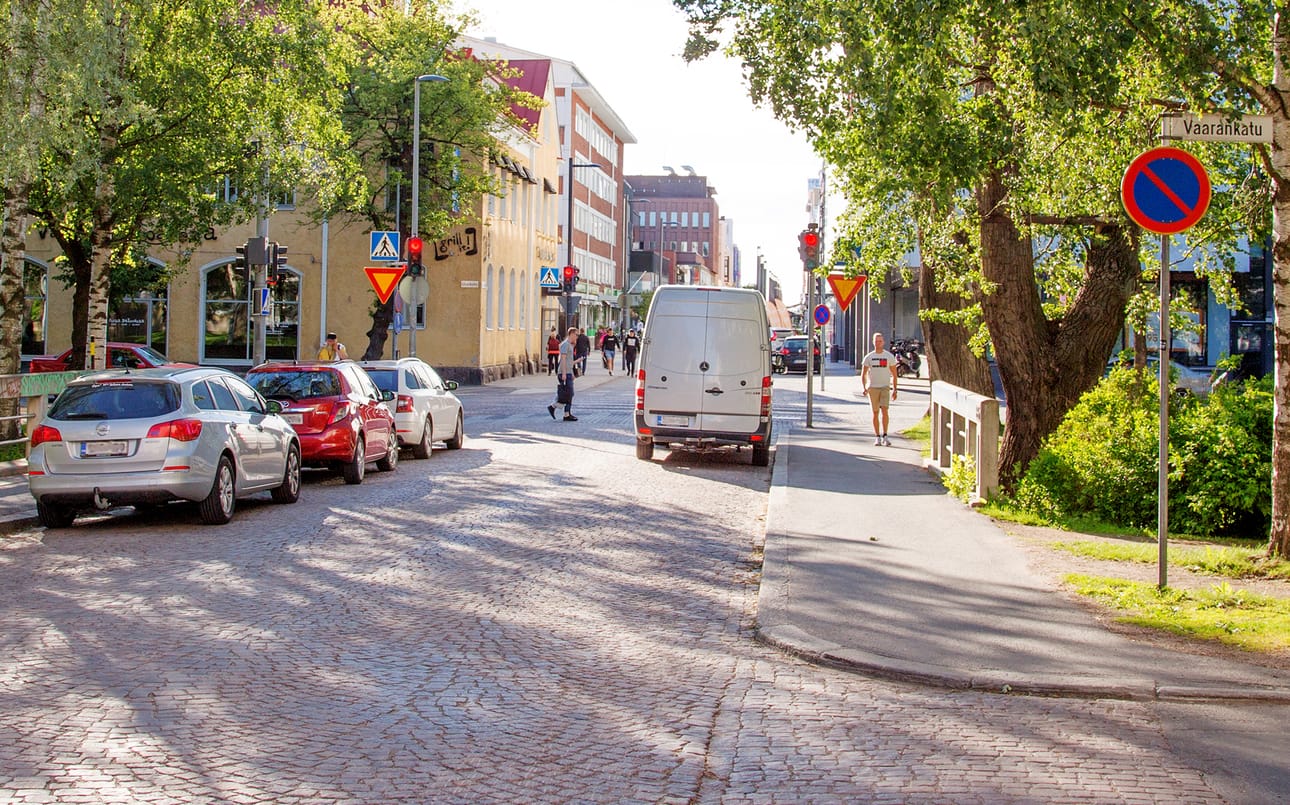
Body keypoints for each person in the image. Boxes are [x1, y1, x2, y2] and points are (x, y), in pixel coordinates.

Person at [860, 332, 898, 446]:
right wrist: (865, 387)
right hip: (873, 388)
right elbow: (864, 374)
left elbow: (894, 374)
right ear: (873, 342)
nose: (878, 343)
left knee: (885, 411)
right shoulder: (869, 357)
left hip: (885, 387)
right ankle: (877, 436)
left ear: (884, 342)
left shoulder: (889, 357)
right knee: (875, 412)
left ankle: (885, 435)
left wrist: (895, 389)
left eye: (880, 341)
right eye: (876, 341)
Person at [548, 327, 579, 422]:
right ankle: (559, 410)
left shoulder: (570, 345)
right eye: (576, 335)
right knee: (569, 394)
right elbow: (563, 360)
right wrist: (564, 373)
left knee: (566, 394)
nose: (577, 337)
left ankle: (564, 412)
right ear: (572, 334)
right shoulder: (565, 345)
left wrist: (573, 372)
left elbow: (569, 361)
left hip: (568, 372)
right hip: (564, 372)